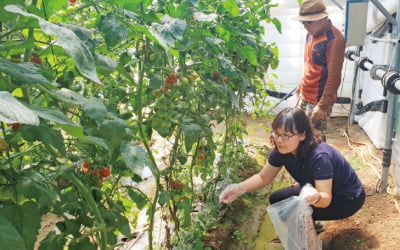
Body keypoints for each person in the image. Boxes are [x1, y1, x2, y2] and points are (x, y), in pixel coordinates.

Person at [219, 107, 365, 232]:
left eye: (286, 135)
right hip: (317, 190)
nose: (279, 140)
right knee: (278, 200)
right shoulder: (282, 151)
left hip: (347, 198)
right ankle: (311, 228)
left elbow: (326, 199)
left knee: (293, 210)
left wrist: (316, 197)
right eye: (276, 133)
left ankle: (307, 239)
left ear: (302, 135)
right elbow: (263, 177)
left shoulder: (320, 157)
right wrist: (239, 188)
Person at [293, 0, 345, 135]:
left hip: (318, 99)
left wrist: (322, 107)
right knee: (300, 132)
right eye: (302, 22)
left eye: (307, 22)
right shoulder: (311, 33)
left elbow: (334, 76)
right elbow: (308, 62)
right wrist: (301, 86)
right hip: (305, 94)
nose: (304, 26)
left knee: (316, 137)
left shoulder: (334, 40)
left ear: (321, 19)